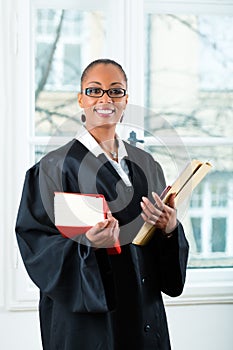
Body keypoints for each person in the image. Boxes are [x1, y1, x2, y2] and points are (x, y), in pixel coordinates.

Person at [15, 58, 189, 350]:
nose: (105, 98)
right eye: (94, 90)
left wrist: (169, 227)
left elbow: (162, 256)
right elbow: (37, 244)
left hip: (143, 313)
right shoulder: (53, 168)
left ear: (126, 100)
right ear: (81, 99)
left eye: (115, 90)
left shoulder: (146, 164)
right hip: (88, 325)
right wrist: (87, 244)